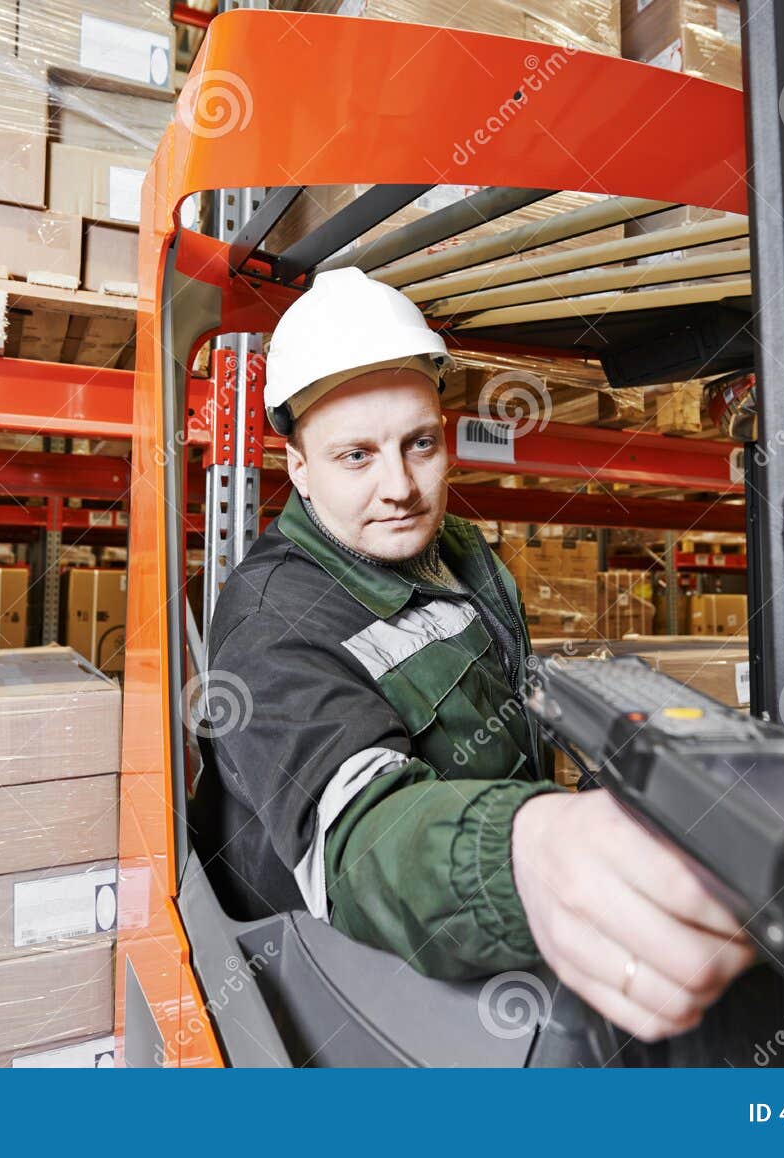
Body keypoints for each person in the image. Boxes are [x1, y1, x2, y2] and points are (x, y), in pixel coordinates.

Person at [199, 268, 754, 1042]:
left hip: (493, 937)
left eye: (418, 444)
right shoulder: (270, 625)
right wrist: (529, 850)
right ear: (298, 466)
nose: (400, 486)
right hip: (357, 990)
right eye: (355, 456)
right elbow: (362, 842)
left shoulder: (456, 550)